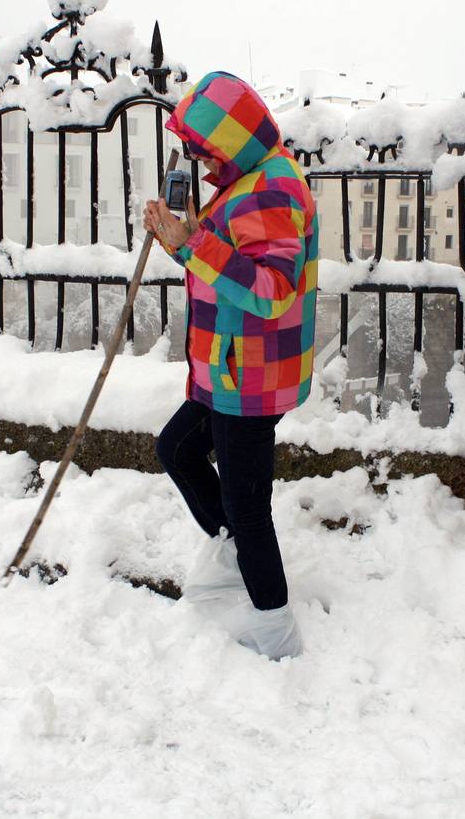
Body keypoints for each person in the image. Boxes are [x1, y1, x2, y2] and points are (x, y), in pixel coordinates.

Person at [142, 71, 318, 661]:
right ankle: (231, 551)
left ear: (234, 139)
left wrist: (194, 245)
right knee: (178, 449)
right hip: (226, 366)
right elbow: (229, 265)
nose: (197, 158)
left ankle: (275, 627)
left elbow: (271, 290)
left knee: (248, 505)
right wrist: (180, 238)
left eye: (204, 146)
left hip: (249, 373)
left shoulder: (271, 189)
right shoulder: (248, 181)